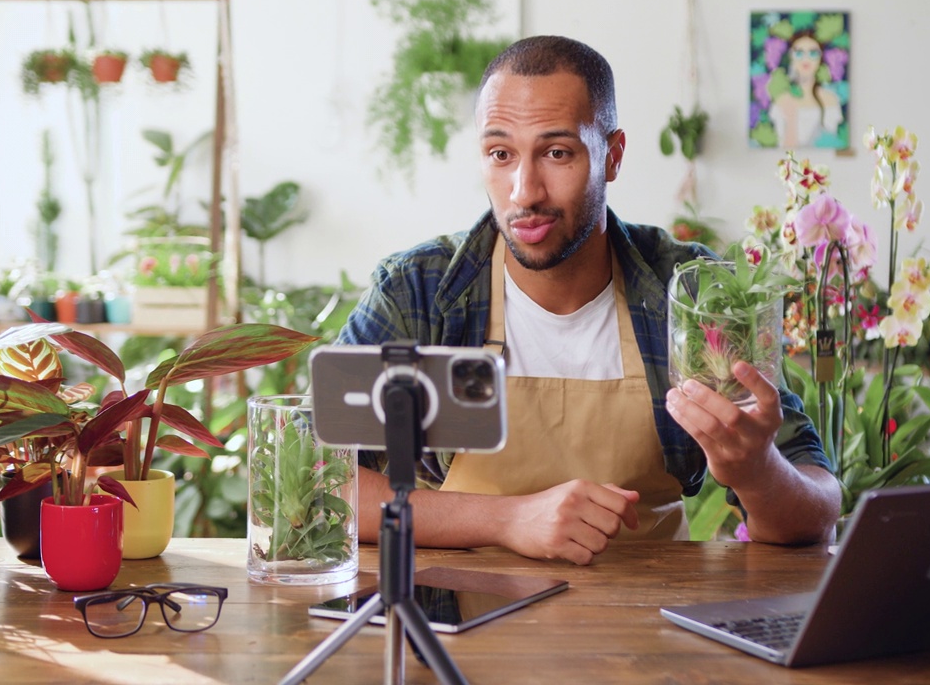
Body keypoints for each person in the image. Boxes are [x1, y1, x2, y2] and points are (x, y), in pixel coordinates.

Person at [338, 35, 841, 565]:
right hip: (460, 634)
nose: (524, 192)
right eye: (501, 154)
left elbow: (817, 508)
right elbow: (318, 475)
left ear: (613, 155)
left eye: (557, 153)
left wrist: (758, 471)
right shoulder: (418, 291)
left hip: (652, 630)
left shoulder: (692, 292)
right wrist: (507, 519)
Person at [768, 31, 843, 148]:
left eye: (813, 53)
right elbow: (783, 148)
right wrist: (791, 118)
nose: (806, 59)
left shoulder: (830, 99)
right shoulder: (782, 100)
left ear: (821, 58)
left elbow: (830, 144)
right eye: (799, 53)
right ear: (791, 57)